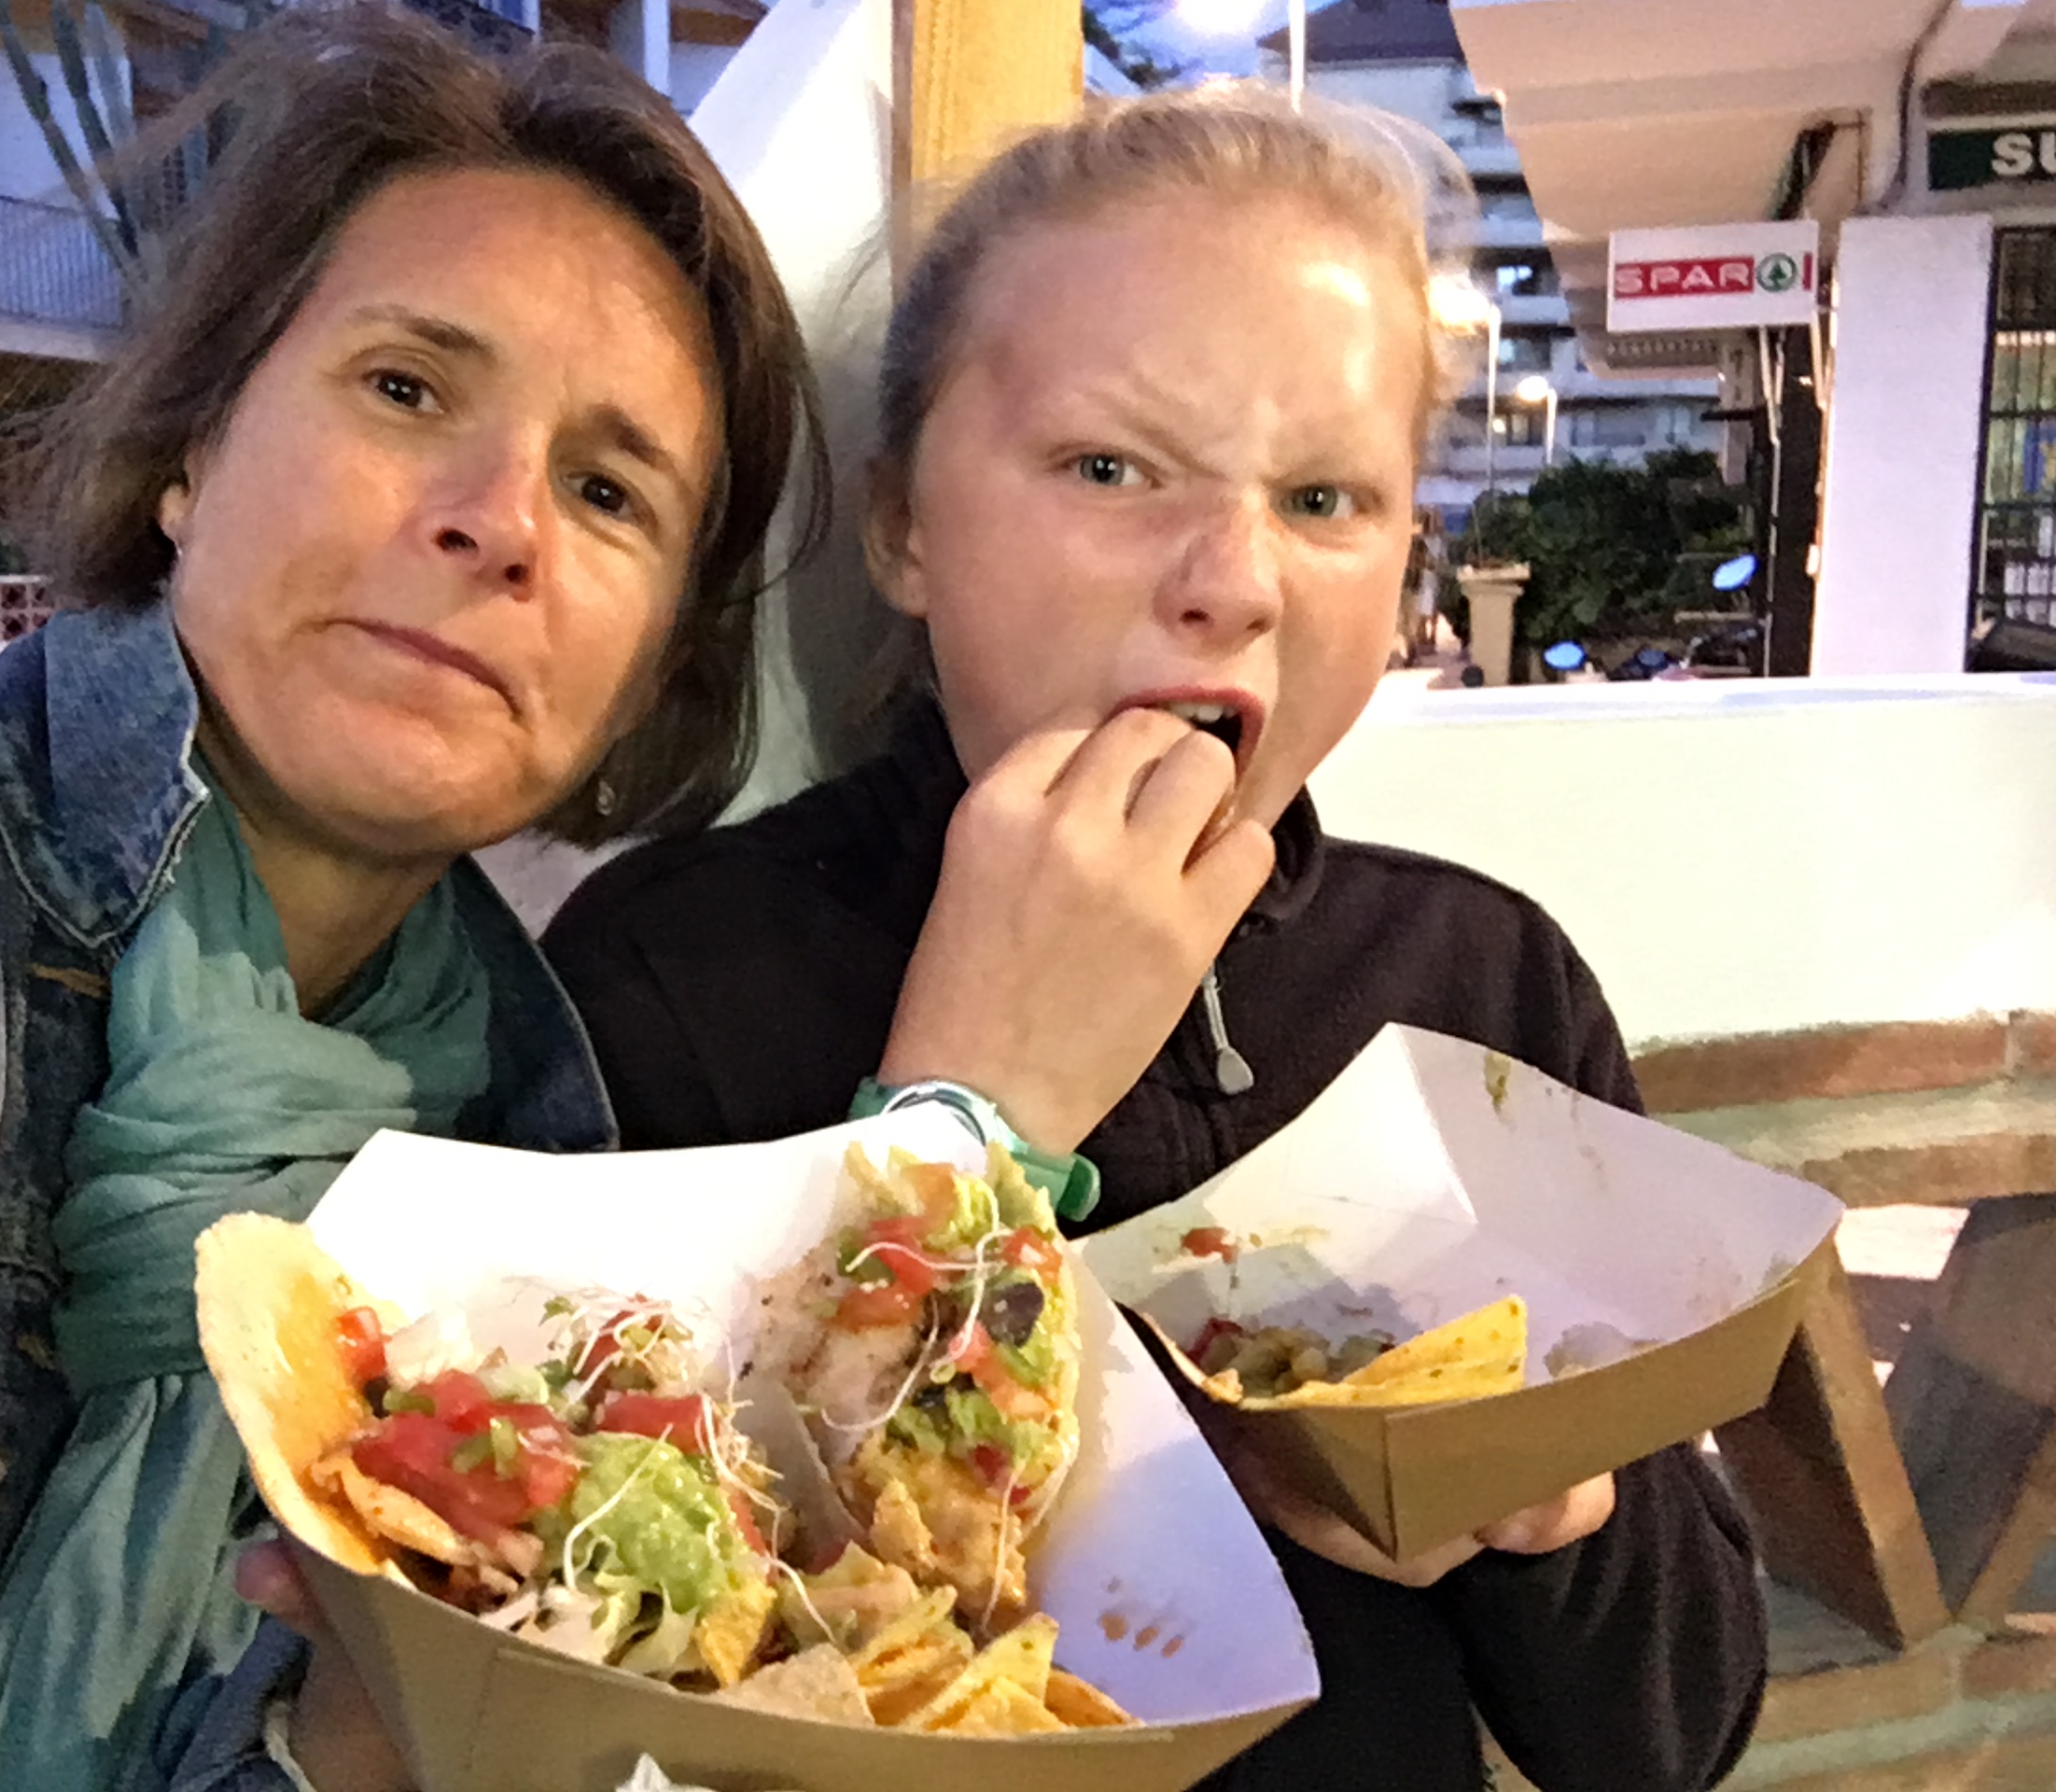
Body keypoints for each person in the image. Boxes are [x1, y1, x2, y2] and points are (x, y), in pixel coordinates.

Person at [542, 82, 1769, 1792]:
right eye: (1111, 467)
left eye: (1326, 498)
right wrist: (963, 1123)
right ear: (902, 527)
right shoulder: (669, 981)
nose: (1235, 580)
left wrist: (1547, 1507)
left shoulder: (1482, 985)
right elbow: (609, 1687)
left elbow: (1672, 1734)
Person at [0, 10, 820, 1790]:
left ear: (653, 668)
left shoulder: (548, 1269)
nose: (501, 520)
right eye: (407, 388)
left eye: (607, 491)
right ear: (192, 449)